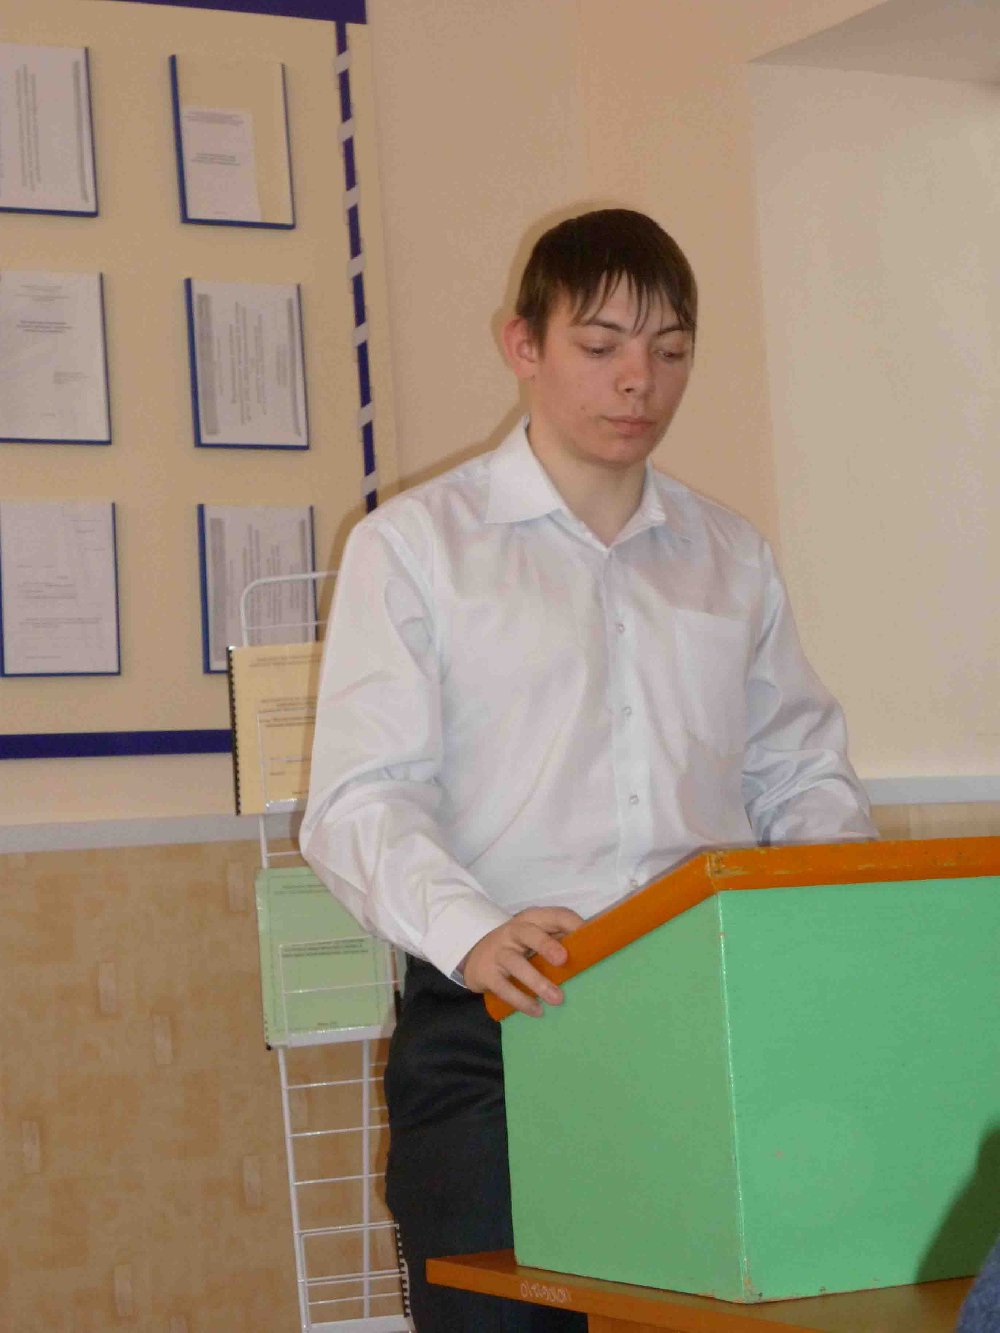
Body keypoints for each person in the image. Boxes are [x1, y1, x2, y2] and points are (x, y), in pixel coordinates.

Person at [301, 208, 876, 1331]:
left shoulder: (730, 556)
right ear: (523, 343)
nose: (637, 381)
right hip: (499, 1020)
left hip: (706, 1021)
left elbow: (800, 771)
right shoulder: (416, 547)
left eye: (670, 350)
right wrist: (472, 929)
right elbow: (360, 797)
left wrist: (825, 920)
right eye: (601, 345)